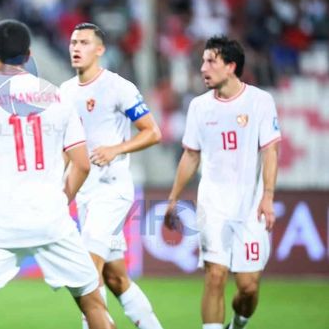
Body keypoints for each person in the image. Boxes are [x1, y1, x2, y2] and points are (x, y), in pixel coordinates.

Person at [0, 19, 114, 329]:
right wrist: (61, 199)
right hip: (50, 219)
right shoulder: (59, 98)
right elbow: (82, 163)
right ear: (29, 55)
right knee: (93, 303)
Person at [164, 36, 281, 329]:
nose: (203, 67)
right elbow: (191, 155)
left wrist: (267, 196)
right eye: (203, 61)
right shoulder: (199, 107)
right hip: (212, 205)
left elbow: (270, 151)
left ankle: (238, 323)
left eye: (210, 61)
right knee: (215, 276)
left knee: (248, 286)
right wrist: (173, 198)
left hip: (249, 209)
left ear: (230, 66)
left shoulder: (260, 102)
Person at [60, 23, 164, 329]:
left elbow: (152, 132)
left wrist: (116, 149)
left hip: (112, 190)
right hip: (85, 193)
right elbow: (67, 148)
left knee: (86, 270)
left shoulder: (118, 87)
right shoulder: (65, 92)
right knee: (115, 277)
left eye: (84, 42)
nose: (76, 48)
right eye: (73, 42)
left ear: (100, 50)